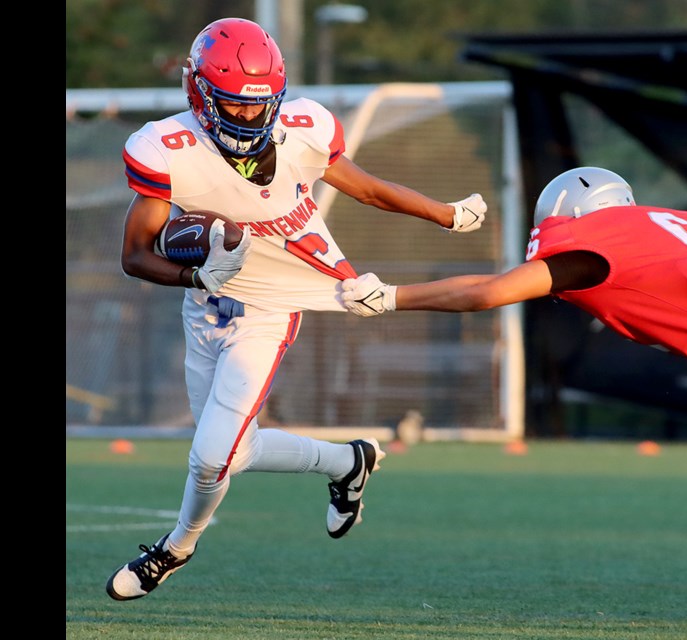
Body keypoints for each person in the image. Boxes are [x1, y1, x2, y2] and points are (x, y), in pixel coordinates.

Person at [106, 17, 488, 601]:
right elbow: (134, 255)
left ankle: (175, 548)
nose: (249, 118)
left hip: (272, 308)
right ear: (199, 93)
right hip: (207, 307)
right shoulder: (166, 148)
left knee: (211, 457)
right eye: (233, 106)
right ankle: (347, 462)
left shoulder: (303, 128)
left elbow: (367, 188)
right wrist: (196, 274)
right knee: (238, 449)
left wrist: (445, 213)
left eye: (259, 107)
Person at [340, 166, 687, 565]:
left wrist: (392, 296)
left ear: (568, 215)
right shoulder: (665, 227)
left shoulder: (588, 247)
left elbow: (487, 292)